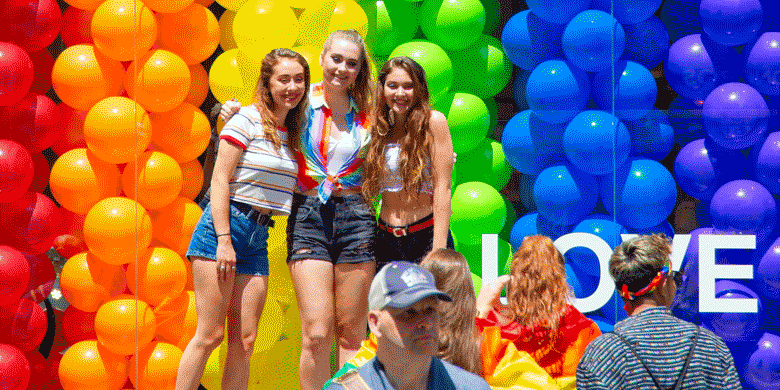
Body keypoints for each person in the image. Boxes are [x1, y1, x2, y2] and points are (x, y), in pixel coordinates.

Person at [221, 30, 377, 390]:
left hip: (357, 217)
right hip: (308, 213)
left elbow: (403, 136)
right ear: (322, 58)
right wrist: (225, 112)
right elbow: (256, 118)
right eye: (336, 59)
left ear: (359, 70)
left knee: (351, 334)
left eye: (351, 63)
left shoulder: (371, 114)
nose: (342, 68)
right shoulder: (298, 103)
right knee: (318, 333)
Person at [174, 48, 309, 390]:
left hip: (258, 238)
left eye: (299, 79)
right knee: (209, 335)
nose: (292, 86)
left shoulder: (291, 133)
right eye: (283, 79)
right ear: (267, 83)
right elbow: (219, 180)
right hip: (226, 227)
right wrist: (223, 239)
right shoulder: (246, 119)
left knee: (245, 341)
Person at [576, 234, 742, 389]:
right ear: (662, 286)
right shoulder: (710, 347)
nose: (677, 284)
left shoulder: (602, 354)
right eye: (674, 278)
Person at [323, 248, 482, 389]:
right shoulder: (350, 386)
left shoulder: (472, 386)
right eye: (409, 312)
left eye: (430, 309)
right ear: (375, 322)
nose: (425, 322)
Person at [361, 56, 454, 270]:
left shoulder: (434, 122)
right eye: (392, 86)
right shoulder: (377, 128)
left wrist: (438, 249)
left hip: (425, 236)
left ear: (419, 89)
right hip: (385, 240)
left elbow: (443, 188)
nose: (400, 93)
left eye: (408, 86)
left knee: (431, 304)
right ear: (382, 89)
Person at [475, 235, 601, 388]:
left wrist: (483, 309)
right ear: (559, 278)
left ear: (515, 279)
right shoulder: (581, 327)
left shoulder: (494, 332)